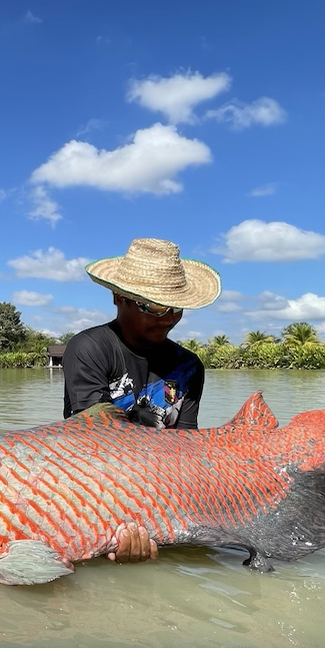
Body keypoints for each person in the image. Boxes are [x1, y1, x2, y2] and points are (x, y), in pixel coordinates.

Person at [62, 237, 221, 564]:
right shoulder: (91, 348)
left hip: (165, 492)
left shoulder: (189, 367)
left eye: (175, 308)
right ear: (118, 298)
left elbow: (187, 449)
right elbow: (91, 444)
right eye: (153, 306)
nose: (167, 318)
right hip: (96, 488)